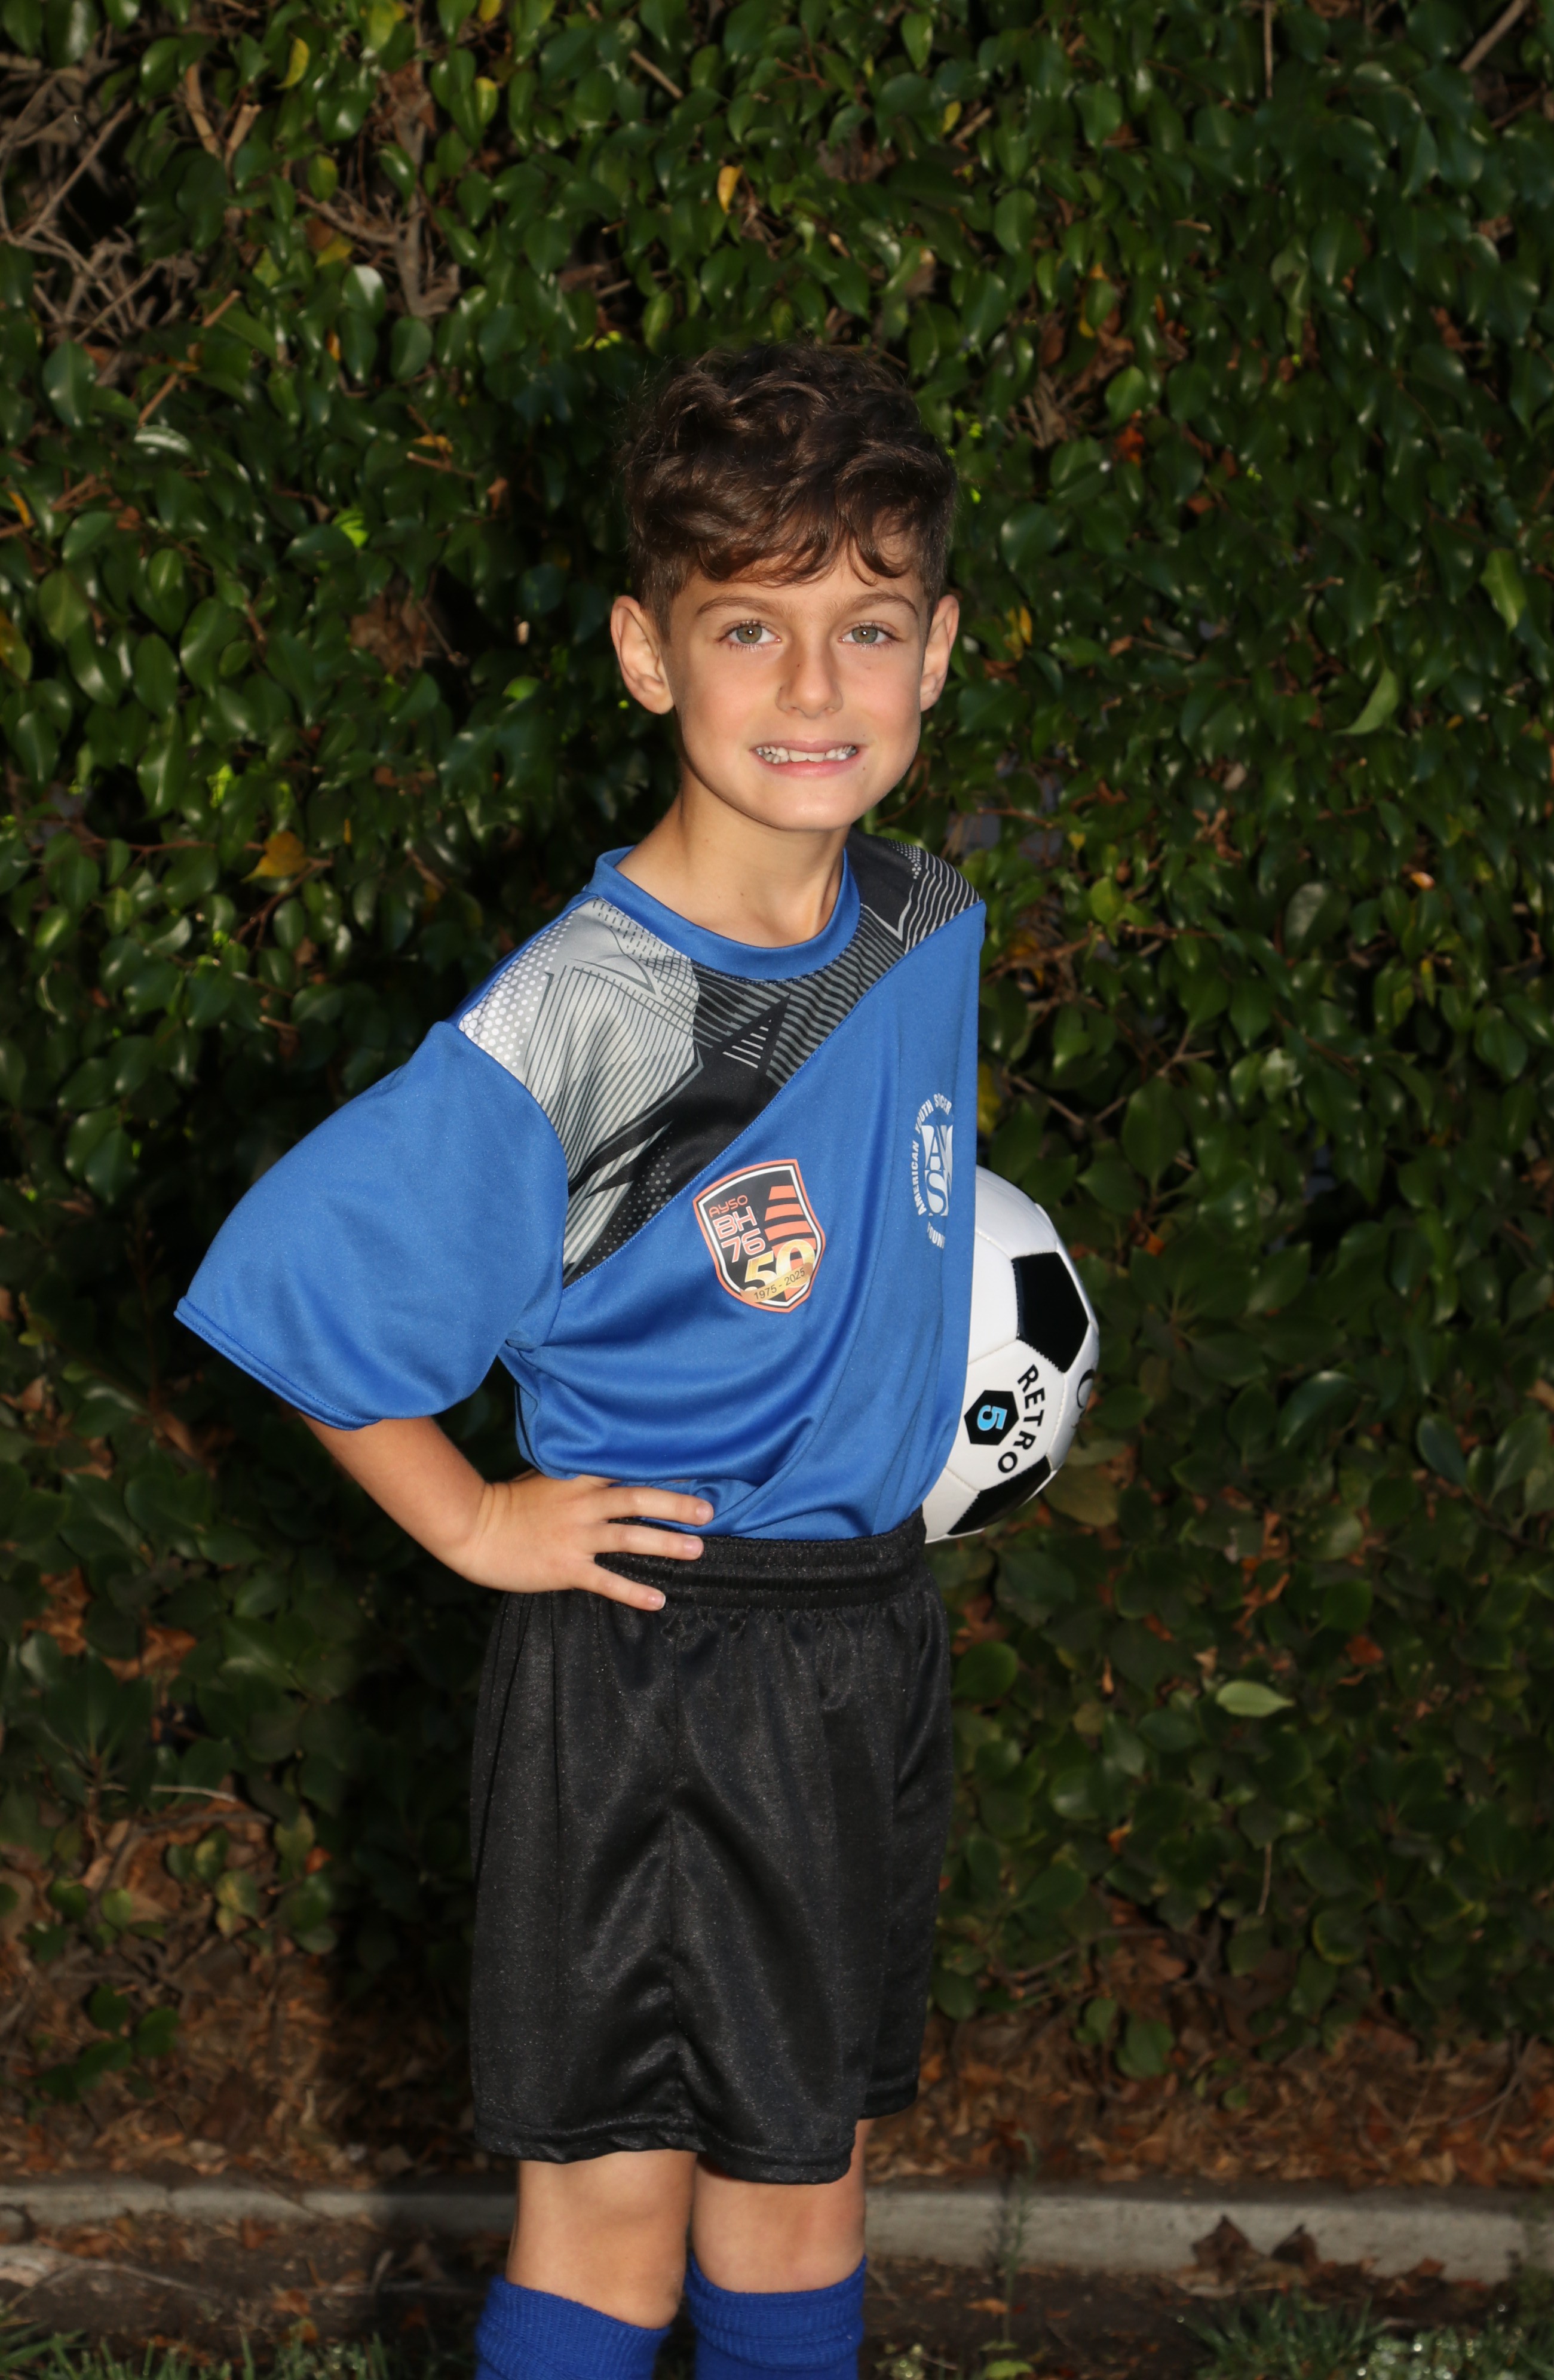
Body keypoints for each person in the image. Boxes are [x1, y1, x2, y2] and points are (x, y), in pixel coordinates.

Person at [177, 342, 983, 2380]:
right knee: (616, 2212)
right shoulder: (588, 1014)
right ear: (646, 653)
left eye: (866, 624)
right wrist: (470, 1520)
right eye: (750, 627)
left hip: (863, 1635)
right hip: (664, 1662)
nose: (815, 686)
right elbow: (301, 1285)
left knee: (808, 2185)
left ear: (939, 650)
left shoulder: (921, 915)